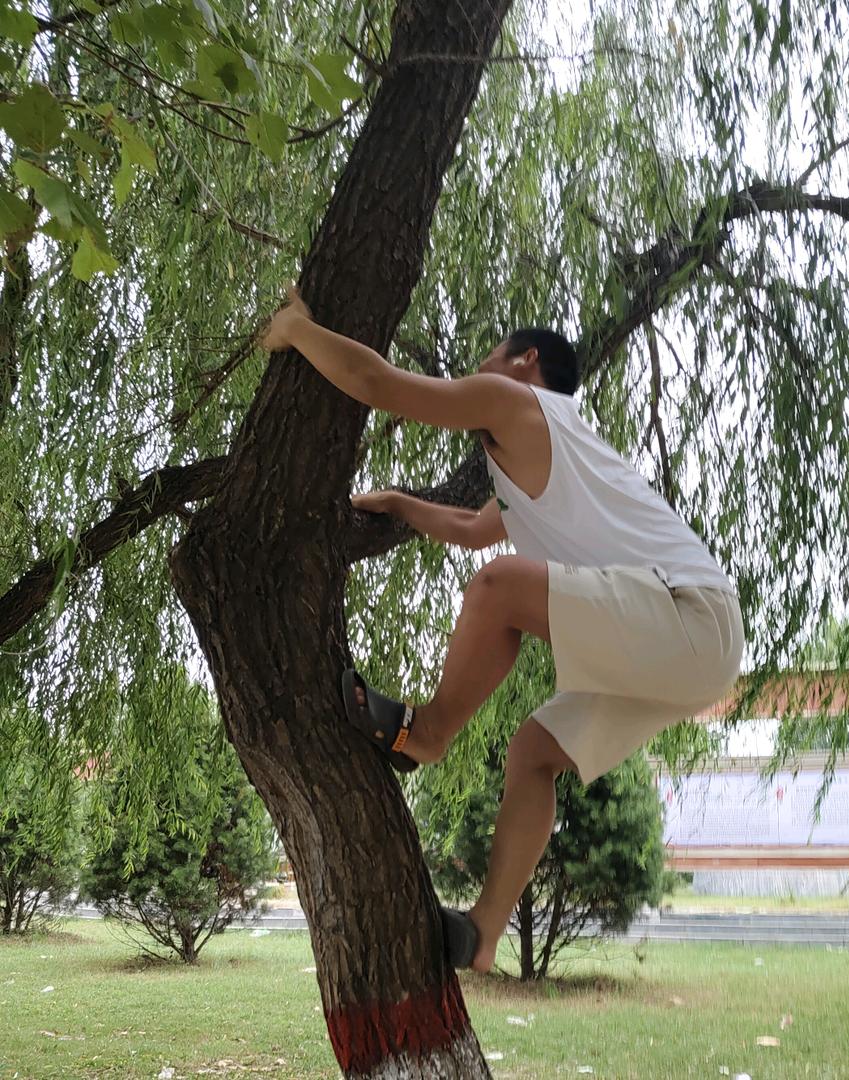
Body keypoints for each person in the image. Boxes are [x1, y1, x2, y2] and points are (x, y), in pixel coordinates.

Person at [260, 288, 743, 973]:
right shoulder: (541, 462)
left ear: (524, 361)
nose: (478, 369)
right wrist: (396, 501)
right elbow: (468, 527)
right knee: (533, 753)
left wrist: (298, 329)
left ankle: (429, 733)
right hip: (697, 653)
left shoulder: (518, 403)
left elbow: (376, 383)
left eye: (489, 357)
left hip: (690, 615)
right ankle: (484, 934)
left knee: (500, 587)